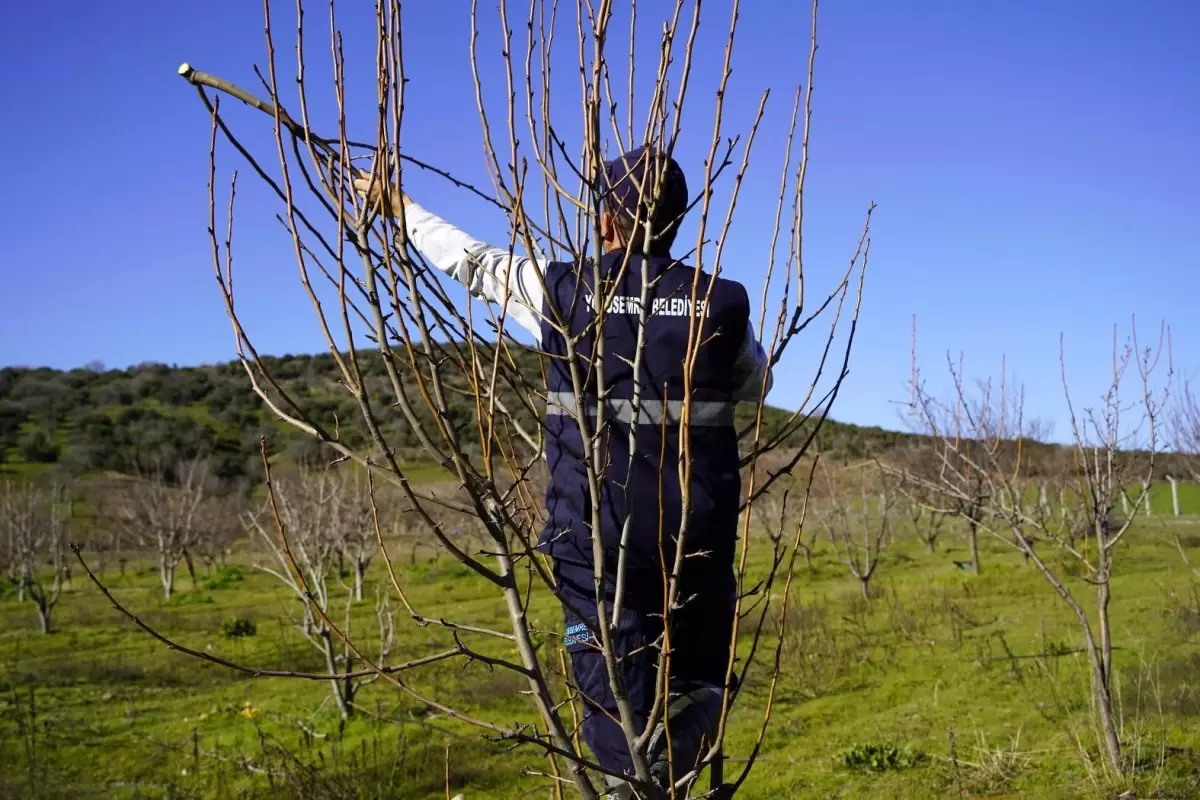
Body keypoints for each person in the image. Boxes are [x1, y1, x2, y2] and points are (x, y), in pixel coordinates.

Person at [355, 146, 772, 797]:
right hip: (700, 537)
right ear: (676, 219)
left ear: (606, 219)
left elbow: (475, 264)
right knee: (694, 699)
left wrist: (398, 209)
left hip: (596, 546)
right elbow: (755, 380)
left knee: (618, 721)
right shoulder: (722, 302)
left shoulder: (565, 292)